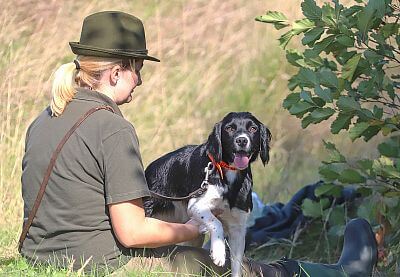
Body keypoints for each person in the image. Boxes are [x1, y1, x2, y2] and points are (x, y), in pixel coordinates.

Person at [20, 11, 377, 276]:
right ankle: (344, 273)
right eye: (137, 69)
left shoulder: (44, 118)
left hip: (42, 257)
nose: (140, 80)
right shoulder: (112, 128)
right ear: (115, 73)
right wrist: (198, 228)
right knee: (247, 270)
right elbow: (131, 232)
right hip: (101, 263)